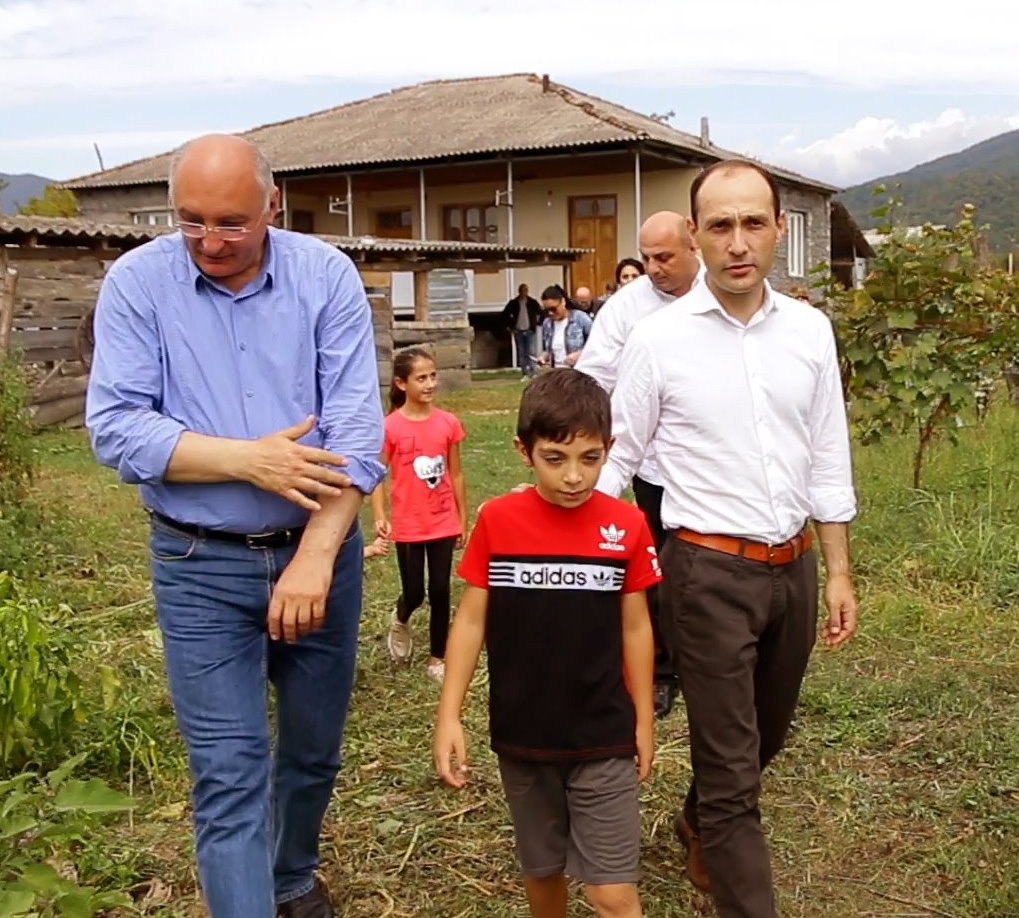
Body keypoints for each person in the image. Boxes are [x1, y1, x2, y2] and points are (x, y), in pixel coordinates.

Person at [86, 134, 383, 918]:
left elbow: (356, 435)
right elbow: (115, 428)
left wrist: (316, 557)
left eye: (231, 223)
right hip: (199, 563)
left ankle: (291, 875)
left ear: (273, 206)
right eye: (191, 221)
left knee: (311, 752)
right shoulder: (138, 284)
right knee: (229, 773)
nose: (209, 242)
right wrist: (249, 461)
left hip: (320, 552)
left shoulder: (325, 277)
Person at [599, 160, 859, 918]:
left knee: (764, 736)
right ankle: (734, 865)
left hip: (794, 569)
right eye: (720, 226)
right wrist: (572, 554)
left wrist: (838, 570)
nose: (737, 243)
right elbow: (617, 456)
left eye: (752, 223)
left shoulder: (810, 331)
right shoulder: (658, 340)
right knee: (734, 775)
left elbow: (828, 452)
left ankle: (697, 816)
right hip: (705, 573)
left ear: (779, 229)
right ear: (696, 235)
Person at [434, 368, 657, 918]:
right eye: (555, 458)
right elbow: (471, 621)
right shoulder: (498, 521)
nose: (574, 476)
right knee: (542, 869)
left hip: (603, 733)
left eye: (590, 458)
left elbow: (636, 628)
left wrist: (644, 720)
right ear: (524, 451)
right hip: (523, 734)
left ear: (609, 450)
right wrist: (449, 715)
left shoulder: (627, 525)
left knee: (612, 894)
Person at [577, 211, 705, 720]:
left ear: (693, 246)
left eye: (664, 257)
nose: (653, 268)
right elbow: (594, 378)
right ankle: (661, 670)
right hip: (652, 467)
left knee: (711, 570)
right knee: (657, 570)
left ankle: (716, 660)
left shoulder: (720, 294)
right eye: (647, 257)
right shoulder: (627, 309)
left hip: (713, 463)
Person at [371, 347, 467, 682]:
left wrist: (461, 519)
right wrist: (380, 515)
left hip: (443, 520)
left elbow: (456, 474)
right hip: (409, 523)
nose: (430, 384)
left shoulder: (448, 423)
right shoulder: (390, 427)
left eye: (433, 376)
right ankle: (401, 618)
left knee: (440, 589)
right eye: (421, 378)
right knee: (415, 592)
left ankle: (437, 657)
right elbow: (377, 474)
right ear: (401, 383)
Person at [540, 285, 592, 368]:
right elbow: (547, 350)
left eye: (553, 309)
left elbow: (596, 346)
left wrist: (578, 355)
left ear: (563, 302)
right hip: (556, 371)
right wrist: (543, 357)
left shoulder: (581, 319)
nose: (550, 313)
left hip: (578, 370)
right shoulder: (547, 323)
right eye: (546, 310)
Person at [503, 283, 543, 376]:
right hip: (519, 331)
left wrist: (537, 323)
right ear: (519, 291)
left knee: (531, 352)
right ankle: (524, 372)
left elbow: (541, 313)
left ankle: (533, 371)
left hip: (530, 331)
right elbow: (505, 315)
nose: (524, 292)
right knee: (521, 352)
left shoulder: (532, 302)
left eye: (525, 290)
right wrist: (510, 327)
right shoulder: (514, 303)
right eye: (522, 290)